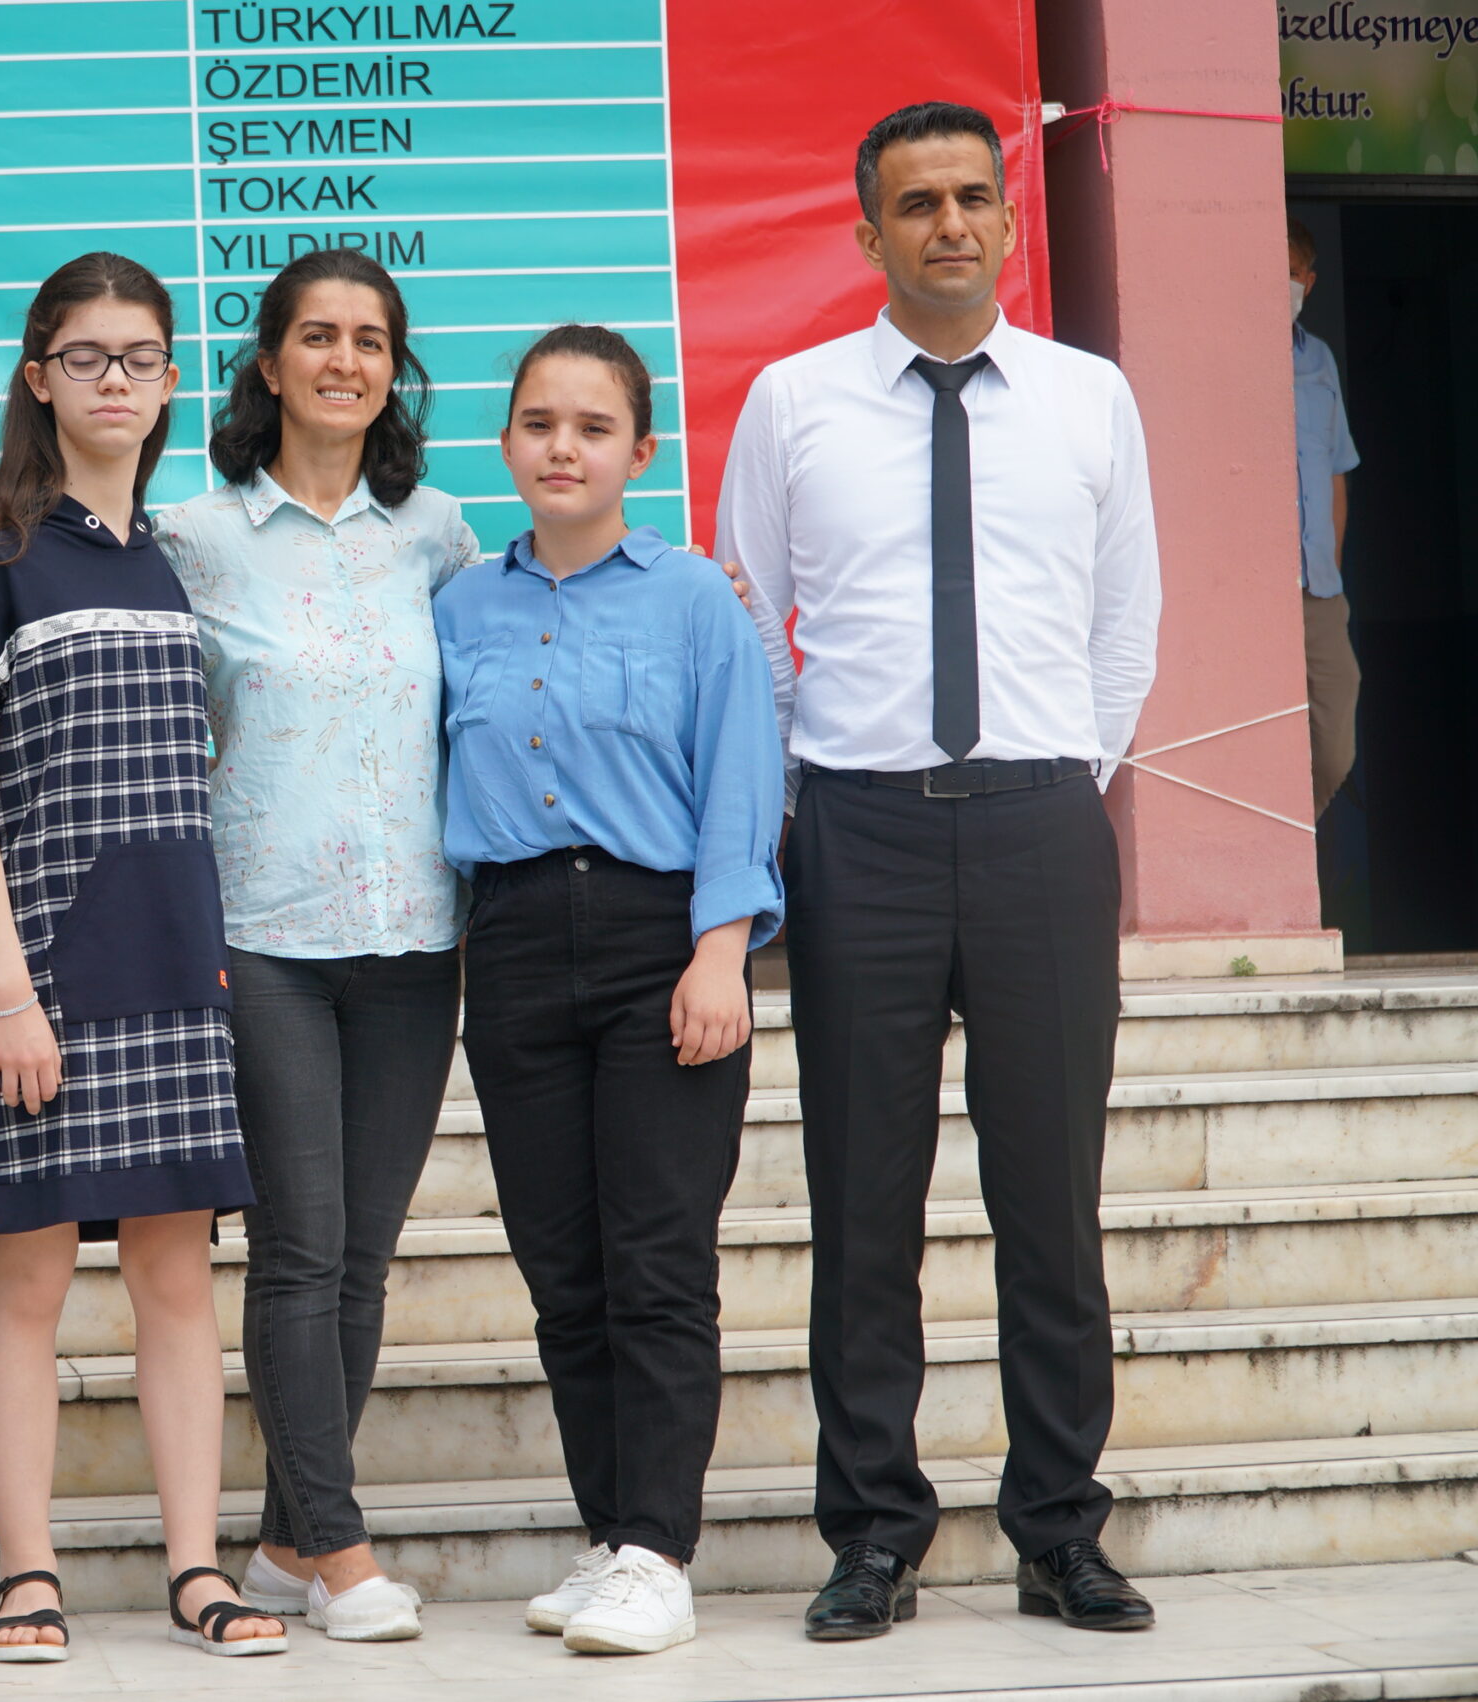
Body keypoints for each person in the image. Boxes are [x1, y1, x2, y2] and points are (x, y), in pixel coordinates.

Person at [715, 101, 1162, 1640]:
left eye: (975, 195)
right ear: (870, 233)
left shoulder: (1091, 398)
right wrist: (808, 806)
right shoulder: (793, 401)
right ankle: (873, 1533)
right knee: (863, 1206)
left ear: (1012, 220)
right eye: (918, 203)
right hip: (862, 832)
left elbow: (1124, 623)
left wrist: (1059, 781)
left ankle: (1060, 1528)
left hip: (1041, 824)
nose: (951, 223)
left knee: (1053, 1202)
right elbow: (756, 624)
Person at [0, 251, 286, 1662]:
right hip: (44, 976)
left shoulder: (183, 561)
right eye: (85, 356)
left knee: (177, 1279)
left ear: (173, 378)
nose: (114, 379)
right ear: (39, 377)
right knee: (28, 1277)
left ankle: (196, 1568)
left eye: (139, 356)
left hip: (175, 966)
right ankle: (26, 1573)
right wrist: (6, 992)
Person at [435, 324, 783, 1657]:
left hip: (661, 940)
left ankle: (660, 1549)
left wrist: (719, 950)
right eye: (539, 423)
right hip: (515, 941)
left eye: (592, 428)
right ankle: (609, 1533)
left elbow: (742, 774)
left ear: (640, 450)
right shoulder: (462, 605)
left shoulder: (694, 599)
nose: (562, 448)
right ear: (506, 443)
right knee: (561, 1265)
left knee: (655, 1259)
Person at [153, 248, 475, 1644]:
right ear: (269, 362)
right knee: (299, 1247)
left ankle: (287, 1539)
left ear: (395, 370)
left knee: (364, 1254)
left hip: (414, 935)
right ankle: (342, 1552)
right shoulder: (195, 537)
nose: (345, 360)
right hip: (264, 934)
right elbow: (160, 745)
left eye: (370, 340)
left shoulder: (439, 535)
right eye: (318, 336)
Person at [1290, 213, 1362, 820]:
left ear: (1309, 282)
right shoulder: (1233, 350)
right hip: (1255, 597)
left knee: (1336, 746)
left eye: (1292, 273)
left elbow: (1337, 471)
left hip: (1318, 591)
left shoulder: (1319, 359)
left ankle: (1297, 834)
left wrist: (1331, 566)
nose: (1282, 283)